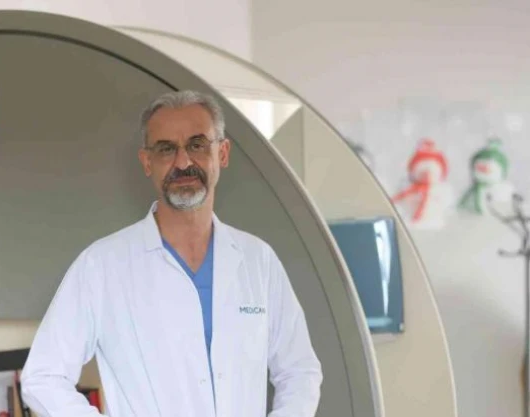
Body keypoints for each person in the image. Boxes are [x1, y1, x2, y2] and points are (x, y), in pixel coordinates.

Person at [19, 90, 323, 417]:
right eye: (166, 149)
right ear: (147, 162)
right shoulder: (102, 266)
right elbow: (43, 377)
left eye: (197, 145)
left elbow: (299, 371)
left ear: (222, 153)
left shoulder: (258, 261)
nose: (183, 162)